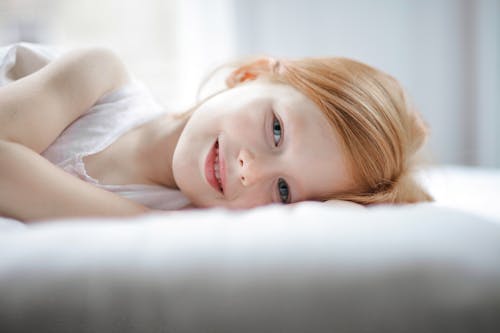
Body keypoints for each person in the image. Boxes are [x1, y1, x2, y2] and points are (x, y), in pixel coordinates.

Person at [0, 43, 433, 222]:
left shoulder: (192, 224)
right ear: (249, 76)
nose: (249, 170)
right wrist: (136, 223)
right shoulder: (98, 78)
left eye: (283, 191)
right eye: (277, 130)